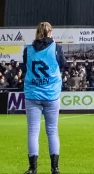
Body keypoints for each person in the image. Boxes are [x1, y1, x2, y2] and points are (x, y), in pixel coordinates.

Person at [22, 21, 66, 174]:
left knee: (33, 132)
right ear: (50, 32)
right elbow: (63, 65)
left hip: (33, 93)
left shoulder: (28, 50)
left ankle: (32, 168)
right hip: (51, 94)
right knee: (52, 131)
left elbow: (24, 69)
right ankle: (55, 168)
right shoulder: (56, 48)